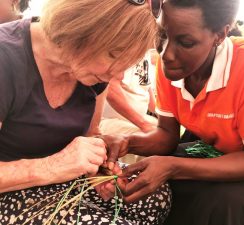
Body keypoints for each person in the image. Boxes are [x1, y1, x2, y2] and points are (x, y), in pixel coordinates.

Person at [105, 0, 244, 225]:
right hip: (218, 152)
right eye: (162, 35)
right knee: (144, 182)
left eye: (185, 42)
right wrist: (127, 142)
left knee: (223, 204)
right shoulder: (171, 65)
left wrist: (173, 167)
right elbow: (166, 137)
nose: (166, 53)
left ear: (220, 34)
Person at [0, 0, 171, 224]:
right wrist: (54, 166)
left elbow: (90, 134)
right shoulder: (6, 58)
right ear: (80, 27)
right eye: (113, 55)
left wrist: (97, 170)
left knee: (155, 196)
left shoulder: (91, 74)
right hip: (9, 191)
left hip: (59, 181)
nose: (117, 75)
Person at [100, 51, 158, 136]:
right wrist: (144, 125)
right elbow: (111, 88)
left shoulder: (146, 54)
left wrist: (166, 117)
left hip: (137, 120)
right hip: (110, 120)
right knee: (156, 138)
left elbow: (146, 91)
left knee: (166, 131)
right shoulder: (125, 50)